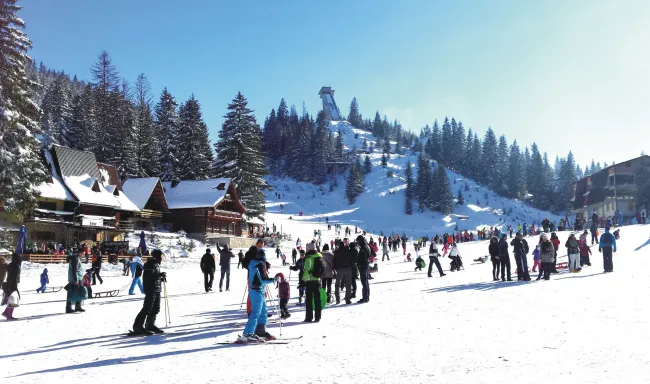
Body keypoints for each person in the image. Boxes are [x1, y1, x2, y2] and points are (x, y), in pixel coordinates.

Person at [239, 249, 276, 342]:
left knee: (263, 312)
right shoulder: (259, 265)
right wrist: (274, 280)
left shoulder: (253, 264)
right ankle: (249, 333)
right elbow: (263, 280)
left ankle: (260, 330)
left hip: (257, 291)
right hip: (257, 291)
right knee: (256, 312)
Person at [132, 249, 167, 335]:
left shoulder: (156, 265)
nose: (162, 258)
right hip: (150, 289)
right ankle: (138, 326)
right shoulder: (149, 264)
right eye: (161, 256)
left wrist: (160, 278)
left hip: (157, 289)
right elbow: (148, 278)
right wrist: (159, 276)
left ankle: (150, 324)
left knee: (155, 308)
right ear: (157, 256)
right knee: (147, 308)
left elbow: (154, 276)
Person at [302, 243, 323, 322]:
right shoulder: (319, 257)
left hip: (310, 282)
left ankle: (309, 317)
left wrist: (303, 280)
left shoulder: (309, 259)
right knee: (317, 300)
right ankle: (318, 317)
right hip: (317, 281)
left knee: (309, 300)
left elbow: (306, 270)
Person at [1, 253, 22, 320]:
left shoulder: (10, 264)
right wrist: (15, 286)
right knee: (13, 300)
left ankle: (6, 312)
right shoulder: (17, 266)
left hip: (9, 284)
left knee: (12, 300)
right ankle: (8, 315)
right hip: (13, 285)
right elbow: (15, 277)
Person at [333, 238, 353, 305]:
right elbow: (352, 259)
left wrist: (335, 268)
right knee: (348, 285)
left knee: (337, 285)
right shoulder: (349, 251)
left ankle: (338, 299)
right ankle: (347, 300)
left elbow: (334, 261)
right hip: (348, 269)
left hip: (339, 270)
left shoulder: (336, 252)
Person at [356, 235, 371, 304]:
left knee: (364, 282)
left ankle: (365, 297)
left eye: (358, 241)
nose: (358, 243)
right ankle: (367, 296)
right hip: (366, 265)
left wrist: (359, 264)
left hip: (363, 266)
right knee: (366, 282)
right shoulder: (366, 246)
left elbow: (363, 258)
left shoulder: (363, 248)